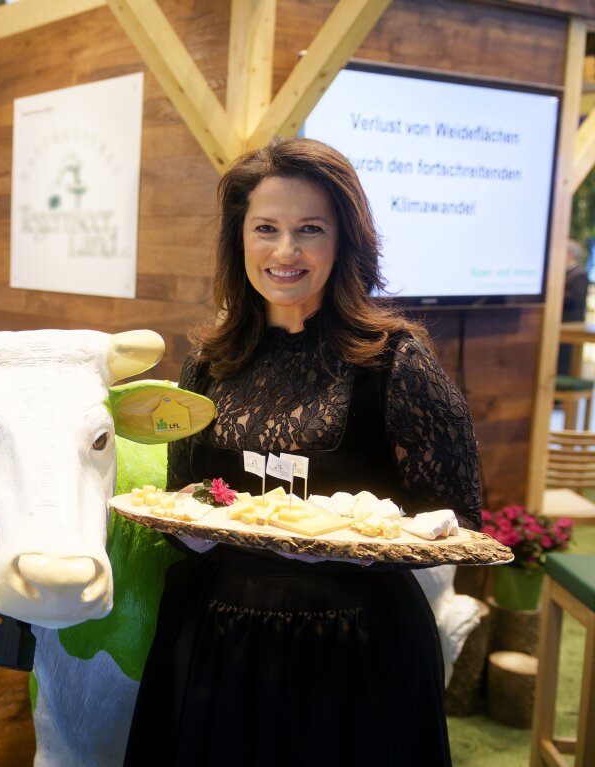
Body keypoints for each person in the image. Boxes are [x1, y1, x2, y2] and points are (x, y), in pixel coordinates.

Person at [124, 138, 482, 766]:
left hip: (356, 645)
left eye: (309, 229)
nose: (285, 251)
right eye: (266, 228)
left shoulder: (396, 361)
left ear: (345, 240)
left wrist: (389, 536)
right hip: (217, 638)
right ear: (240, 238)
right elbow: (188, 502)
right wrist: (191, 521)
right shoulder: (208, 364)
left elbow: (458, 513)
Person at [558, 239, 588, 375]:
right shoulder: (560, 273)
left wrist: (554, 293)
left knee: (566, 362)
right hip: (559, 324)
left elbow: (575, 298)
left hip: (571, 323)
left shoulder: (579, 274)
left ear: (569, 254)